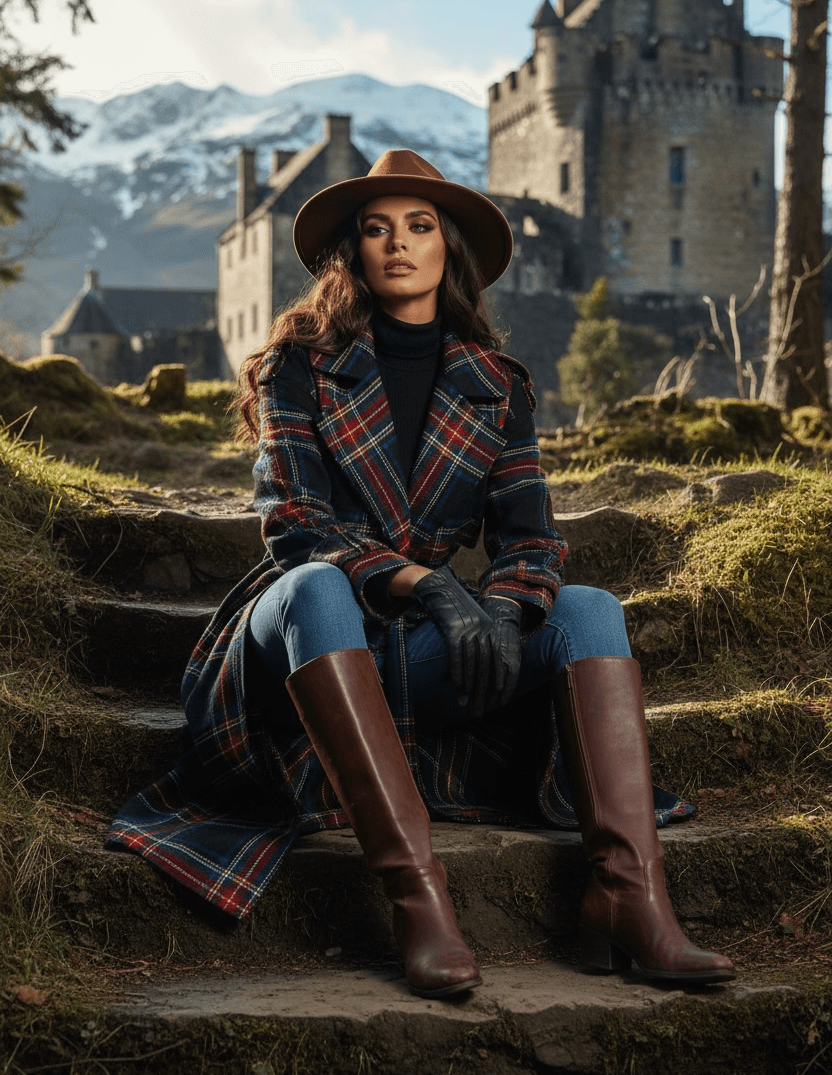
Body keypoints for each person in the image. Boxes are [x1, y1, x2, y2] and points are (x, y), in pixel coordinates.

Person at [107, 149, 734, 998]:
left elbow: (533, 540)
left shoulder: (496, 384)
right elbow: (295, 529)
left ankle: (631, 897)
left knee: (587, 609)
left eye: (418, 226)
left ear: (451, 249)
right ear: (353, 254)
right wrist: (430, 585)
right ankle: (419, 899)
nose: (397, 244)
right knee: (318, 586)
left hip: (422, 653)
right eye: (375, 229)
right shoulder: (299, 362)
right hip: (300, 640)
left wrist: (506, 614)